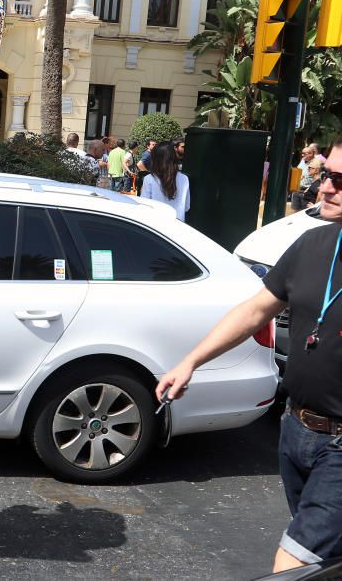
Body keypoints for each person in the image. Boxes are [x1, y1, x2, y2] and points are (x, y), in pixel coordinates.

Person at [156, 137, 342, 574]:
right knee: (325, 557)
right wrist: (191, 361)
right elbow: (256, 309)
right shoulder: (311, 244)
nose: (325, 189)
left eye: (340, 180)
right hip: (296, 431)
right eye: (325, 175)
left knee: (296, 560)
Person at [141, 142, 190, 220]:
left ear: (154, 158)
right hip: (178, 225)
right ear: (174, 157)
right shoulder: (184, 178)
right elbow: (186, 207)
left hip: (154, 227)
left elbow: (144, 206)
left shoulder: (149, 179)